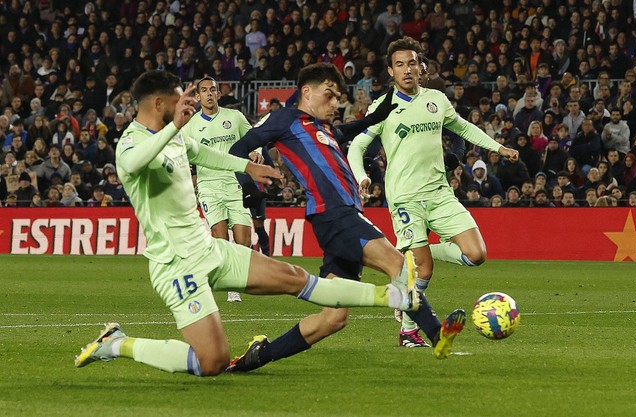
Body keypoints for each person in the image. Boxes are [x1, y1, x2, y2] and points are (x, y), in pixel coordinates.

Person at [74, 70, 417, 377]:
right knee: (212, 362)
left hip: (208, 248)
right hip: (175, 265)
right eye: (180, 101)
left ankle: (394, 297)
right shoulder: (131, 142)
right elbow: (133, 164)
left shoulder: (175, 133)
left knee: (294, 277)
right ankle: (117, 344)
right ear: (160, 102)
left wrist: (247, 167)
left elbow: (202, 154)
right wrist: (175, 127)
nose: (187, 107)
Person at [228, 62, 465, 370]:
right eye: (329, 95)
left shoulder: (324, 129)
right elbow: (238, 149)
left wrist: (376, 118)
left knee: (333, 318)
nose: (335, 102)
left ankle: (258, 356)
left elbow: (343, 132)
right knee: (398, 264)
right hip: (334, 214)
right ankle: (436, 333)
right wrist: (248, 187)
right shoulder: (286, 119)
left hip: (342, 215)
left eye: (338, 97)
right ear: (307, 92)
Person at [348, 37, 519, 348]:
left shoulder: (437, 100)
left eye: (412, 63)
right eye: (400, 65)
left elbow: (463, 127)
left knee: (476, 254)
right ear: (391, 71)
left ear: (421, 67)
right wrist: (361, 176)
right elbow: (357, 146)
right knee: (422, 268)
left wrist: (497, 147)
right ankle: (408, 331)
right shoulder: (383, 106)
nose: (407, 69)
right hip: (405, 197)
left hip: (440, 193)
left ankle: (411, 256)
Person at [181, 76, 263, 303]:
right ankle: (232, 286)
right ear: (197, 97)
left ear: (218, 94)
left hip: (236, 184)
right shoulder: (190, 126)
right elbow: (183, 153)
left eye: (213, 90)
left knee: (243, 240)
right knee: (219, 236)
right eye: (204, 90)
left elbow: (254, 138)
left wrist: (257, 152)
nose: (209, 93)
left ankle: (239, 273)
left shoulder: (234, 118)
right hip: (209, 186)